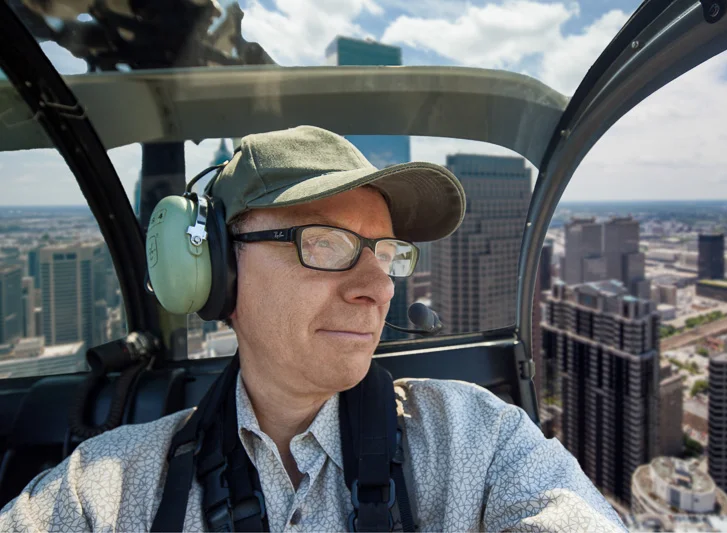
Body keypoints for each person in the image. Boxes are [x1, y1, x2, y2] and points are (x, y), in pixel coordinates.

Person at [0, 126, 626, 532]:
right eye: (324, 243)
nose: (378, 287)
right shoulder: (105, 493)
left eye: (385, 252)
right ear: (216, 269)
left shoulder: (481, 441)